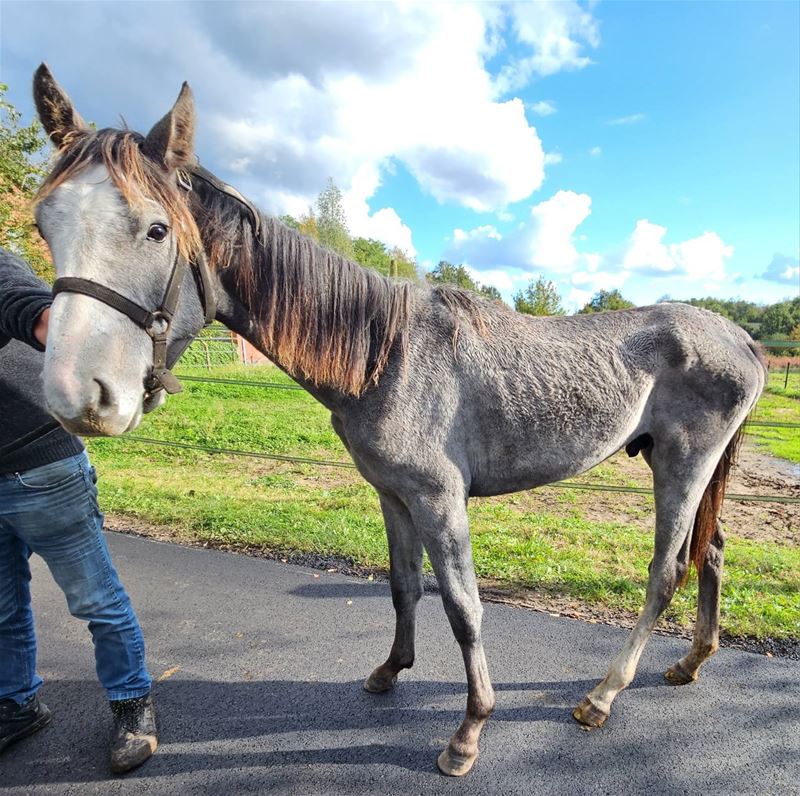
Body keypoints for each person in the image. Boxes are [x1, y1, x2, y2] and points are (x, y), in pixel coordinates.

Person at [0, 247, 157, 774]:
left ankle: (132, 706)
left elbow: (24, 303)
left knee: (95, 600)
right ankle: (18, 705)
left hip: (42, 468)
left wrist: (54, 328)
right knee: (1, 609)